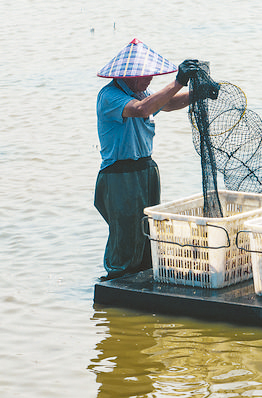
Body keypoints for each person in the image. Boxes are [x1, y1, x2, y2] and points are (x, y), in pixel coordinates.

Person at [94, 38, 198, 281]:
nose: (150, 78)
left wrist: (195, 94)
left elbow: (167, 103)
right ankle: (118, 278)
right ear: (128, 75)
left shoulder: (140, 91)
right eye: (145, 74)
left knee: (147, 228)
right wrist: (178, 81)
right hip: (119, 174)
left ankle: (142, 274)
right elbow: (141, 109)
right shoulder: (110, 96)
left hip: (145, 169)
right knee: (125, 233)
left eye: (151, 74)